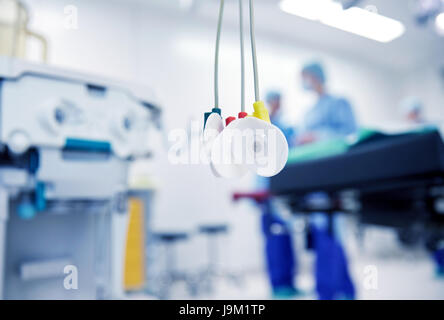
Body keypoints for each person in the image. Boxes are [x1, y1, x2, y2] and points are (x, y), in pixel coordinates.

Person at [299, 62, 357, 300]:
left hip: (335, 177)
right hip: (314, 178)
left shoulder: (339, 103)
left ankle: (331, 291)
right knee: (322, 231)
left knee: (333, 232)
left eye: (306, 77)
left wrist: (319, 136)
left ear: (317, 77)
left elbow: (350, 134)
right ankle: (341, 290)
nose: (304, 81)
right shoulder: (308, 112)